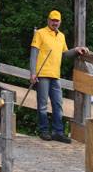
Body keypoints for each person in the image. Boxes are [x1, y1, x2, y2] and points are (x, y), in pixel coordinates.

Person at [30, 10, 89, 143]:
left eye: (57, 21)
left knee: (58, 104)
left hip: (55, 75)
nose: (55, 23)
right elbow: (33, 54)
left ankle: (58, 132)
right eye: (53, 20)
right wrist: (32, 73)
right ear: (48, 20)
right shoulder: (40, 33)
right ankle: (44, 131)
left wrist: (76, 50)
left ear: (60, 22)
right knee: (43, 104)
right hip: (42, 74)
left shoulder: (61, 36)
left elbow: (65, 54)